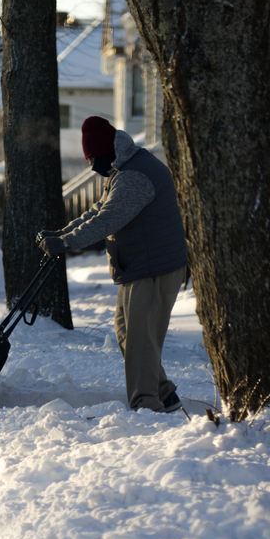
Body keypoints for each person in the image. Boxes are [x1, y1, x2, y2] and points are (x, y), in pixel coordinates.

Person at [38, 116, 188, 413]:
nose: (92, 166)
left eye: (93, 158)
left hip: (154, 269)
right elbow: (100, 210)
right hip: (140, 267)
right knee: (127, 332)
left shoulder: (135, 176)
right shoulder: (123, 167)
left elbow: (109, 219)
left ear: (106, 152)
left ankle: (146, 405)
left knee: (140, 342)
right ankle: (163, 394)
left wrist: (68, 243)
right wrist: (63, 234)